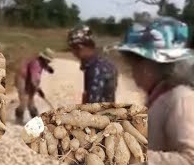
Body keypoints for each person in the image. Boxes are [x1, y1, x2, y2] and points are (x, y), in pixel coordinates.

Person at [117, 17, 194, 164]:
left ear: (148, 65)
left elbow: (190, 158)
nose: (132, 73)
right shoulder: (160, 95)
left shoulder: (181, 100)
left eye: (134, 65)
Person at [67, 25, 118, 104]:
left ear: (79, 47)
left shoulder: (95, 69)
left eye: (73, 49)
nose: (74, 54)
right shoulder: (105, 63)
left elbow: (92, 106)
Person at [15, 48, 55, 124]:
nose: (49, 62)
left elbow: (44, 66)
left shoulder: (42, 62)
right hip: (22, 79)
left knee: (30, 101)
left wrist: (49, 68)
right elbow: (34, 80)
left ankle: (35, 118)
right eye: (48, 60)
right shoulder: (36, 64)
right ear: (44, 58)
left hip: (29, 79)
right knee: (24, 100)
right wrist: (39, 90)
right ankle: (18, 118)